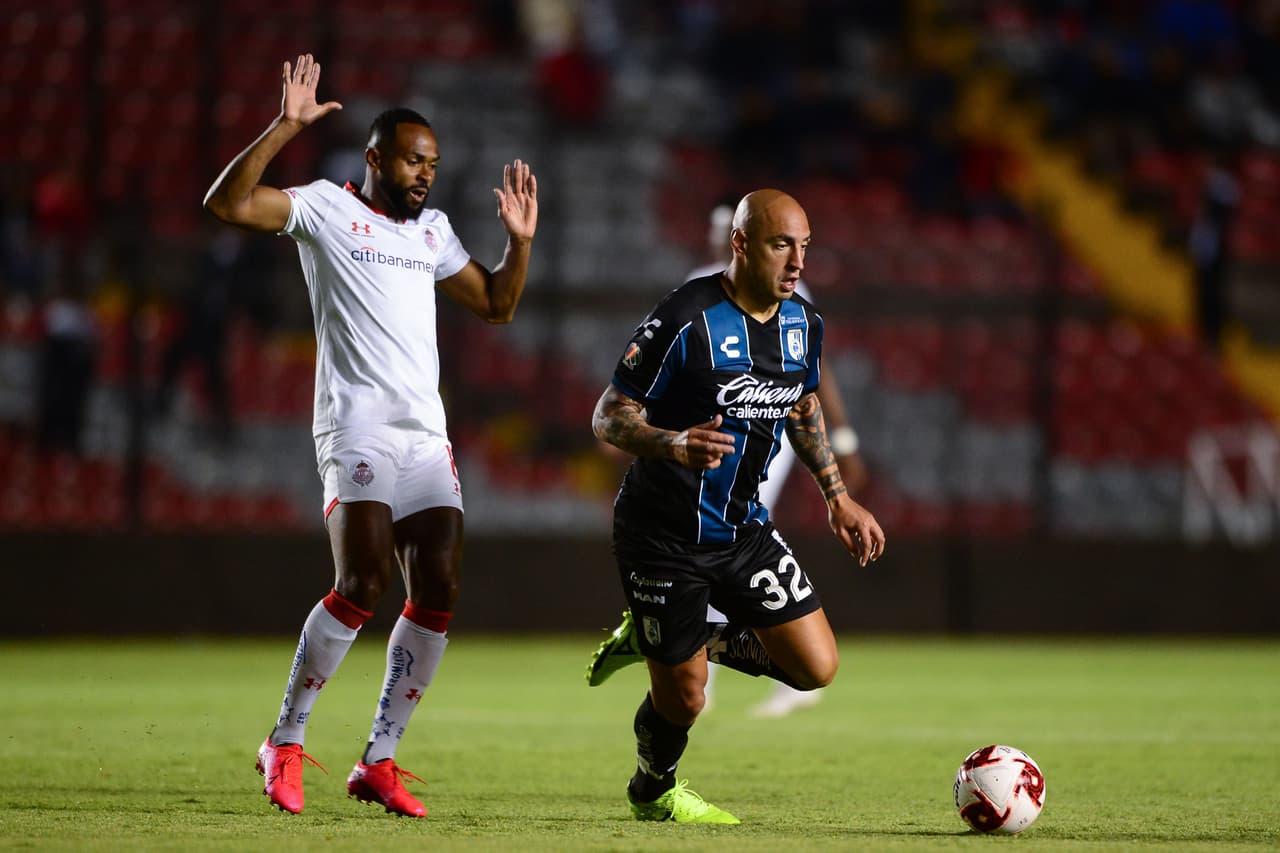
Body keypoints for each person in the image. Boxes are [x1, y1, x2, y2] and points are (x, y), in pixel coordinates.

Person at [203, 54, 538, 817]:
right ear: (376, 157)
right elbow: (227, 204)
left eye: (434, 163)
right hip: (355, 423)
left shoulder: (431, 231)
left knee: (441, 586)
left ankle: (379, 760)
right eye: (414, 159)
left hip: (425, 433)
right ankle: (283, 740)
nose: (425, 173)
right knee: (362, 582)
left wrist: (518, 243)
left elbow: (496, 305)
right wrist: (284, 127)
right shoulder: (325, 206)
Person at [588, 189, 885, 823]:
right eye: (783, 245)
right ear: (742, 244)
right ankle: (652, 787)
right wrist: (671, 442)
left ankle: (666, 640)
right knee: (686, 701)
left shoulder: (805, 323)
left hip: (743, 530)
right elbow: (608, 416)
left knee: (816, 667)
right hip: (661, 536)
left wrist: (838, 496)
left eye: (805, 246)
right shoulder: (685, 318)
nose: (798, 262)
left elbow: (803, 405)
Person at [683, 203, 868, 718]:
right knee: (717, 537)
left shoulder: (790, 289)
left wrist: (844, 441)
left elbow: (813, 372)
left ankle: (722, 664)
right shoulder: (696, 287)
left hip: (768, 428)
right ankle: (712, 660)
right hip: (712, 432)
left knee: (728, 535)